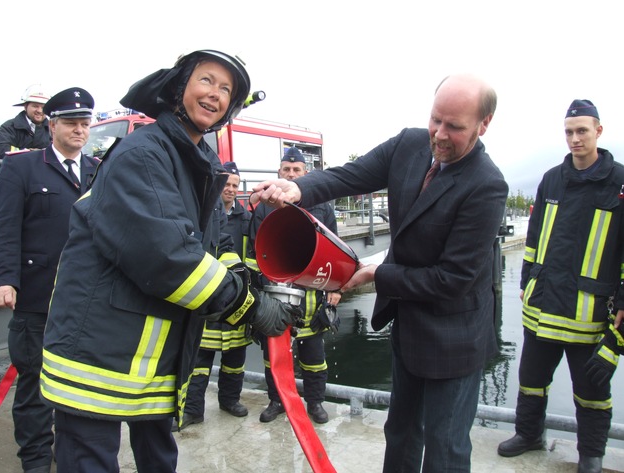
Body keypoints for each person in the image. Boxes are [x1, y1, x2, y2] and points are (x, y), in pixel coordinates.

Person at [38, 49, 301, 473]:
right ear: (179, 89)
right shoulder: (143, 155)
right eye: (206, 80)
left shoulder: (195, 163)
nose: (215, 94)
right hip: (98, 353)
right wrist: (249, 308)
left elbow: (208, 249)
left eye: (226, 90)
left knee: (160, 458)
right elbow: (170, 259)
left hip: (149, 354)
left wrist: (254, 287)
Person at [251, 74, 508, 472]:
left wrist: (374, 274)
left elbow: (451, 280)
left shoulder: (487, 185)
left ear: (483, 123)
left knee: (446, 448)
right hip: (410, 327)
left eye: (454, 126)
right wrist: (296, 190)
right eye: (435, 120)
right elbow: (348, 176)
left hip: (456, 339)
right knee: (401, 431)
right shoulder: (408, 144)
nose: (439, 135)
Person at [497, 99, 624, 473]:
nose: (574, 139)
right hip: (542, 306)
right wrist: (526, 281)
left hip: (589, 312)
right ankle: (528, 434)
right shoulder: (551, 178)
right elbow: (534, 237)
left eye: (582, 131)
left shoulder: (619, 183)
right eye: (569, 132)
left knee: (592, 392)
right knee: (531, 380)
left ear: (598, 131)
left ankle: (591, 456)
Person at [0, 86, 99, 473]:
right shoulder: (22, 167)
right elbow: (4, 228)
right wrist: (4, 279)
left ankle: (70, 454)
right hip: (38, 297)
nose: (79, 129)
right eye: (71, 122)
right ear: (51, 125)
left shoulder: (97, 171)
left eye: (85, 123)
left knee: (78, 386)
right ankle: (36, 461)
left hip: (85, 300)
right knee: (34, 387)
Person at [248, 146, 342, 424]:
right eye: (286, 170)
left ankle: (315, 403)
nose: (291, 173)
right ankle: (277, 401)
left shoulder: (322, 208)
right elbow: (254, 255)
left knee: (314, 357)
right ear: (279, 173)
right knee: (274, 356)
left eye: (296, 170)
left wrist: (336, 289)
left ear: (305, 174)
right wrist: (256, 295)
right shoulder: (263, 208)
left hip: (312, 299)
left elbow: (336, 250)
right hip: (274, 299)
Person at [175, 161, 254, 431]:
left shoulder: (247, 219)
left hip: (237, 297)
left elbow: (252, 257)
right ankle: (193, 410)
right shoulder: (205, 213)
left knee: (235, 359)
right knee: (200, 360)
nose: (230, 189)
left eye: (235, 185)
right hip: (208, 295)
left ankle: (229, 401)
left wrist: (247, 288)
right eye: (227, 184)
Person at [0, 84, 52, 159]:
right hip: (15, 170)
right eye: (35, 106)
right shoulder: (10, 127)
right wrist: (27, 153)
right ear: (25, 107)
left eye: (43, 107)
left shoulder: (54, 129)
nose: (40, 111)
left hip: (43, 171)